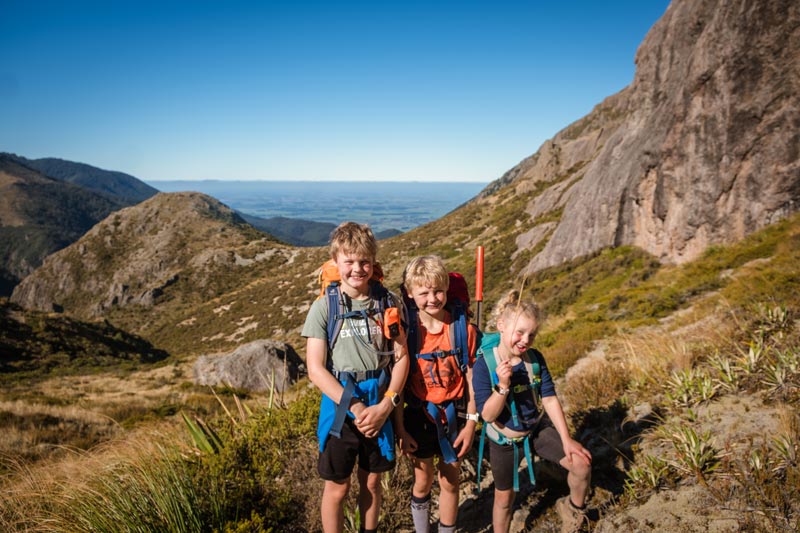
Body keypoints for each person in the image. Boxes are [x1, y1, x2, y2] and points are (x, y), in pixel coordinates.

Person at [303, 221, 410, 533]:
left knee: (373, 482)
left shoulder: (387, 303)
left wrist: (386, 406)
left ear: (373, 262)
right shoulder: (324, 308)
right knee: (337, 488)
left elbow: (401, 357)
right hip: (340, 407)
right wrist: (357, 408)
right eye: (349, 261)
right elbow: (315, 369)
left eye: (364, 261)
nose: (357, 269)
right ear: (336, 262)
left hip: (380, 400)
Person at [473, 290, 592, 533]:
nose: (525, 340)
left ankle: (574, 510)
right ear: (501, 327)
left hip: (535, 429)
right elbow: (487, 416)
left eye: (532, 334)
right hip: (504, 440)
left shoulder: (534, 359)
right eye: (520, 332)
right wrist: (503, 387)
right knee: (504, 499)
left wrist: (567, 439)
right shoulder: (485, 364)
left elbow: (548, 398)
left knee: (581, 465)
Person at [394, 255, 481, 533]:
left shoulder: (462, 330)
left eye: (438, 291)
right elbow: (399, 384)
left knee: (450, 481)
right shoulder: (407, 333)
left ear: (446, 289)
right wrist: (400, 429)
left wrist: (470, 424)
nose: (432, 298)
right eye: (424, 293)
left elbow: (471, 378)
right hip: (419, 417)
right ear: (410, 294)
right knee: (423, 479)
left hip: (455, 416)